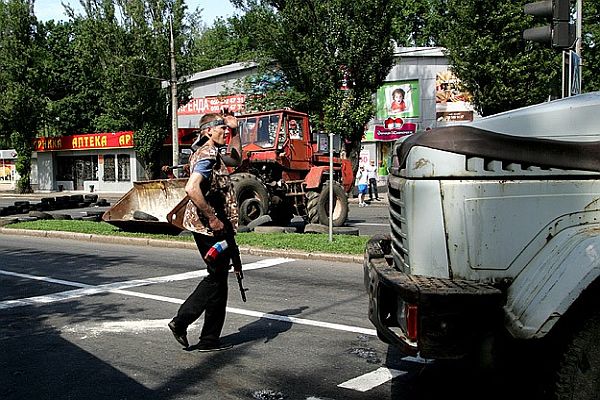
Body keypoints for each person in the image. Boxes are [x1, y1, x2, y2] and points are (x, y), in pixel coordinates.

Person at [168, 112, 242, 352]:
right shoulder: (207, 154)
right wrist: (212, 218)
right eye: (221, 128)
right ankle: (181, 321)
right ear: (208, 131)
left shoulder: (213, 152)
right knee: (215, 277)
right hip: (210, 228)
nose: (225, 132)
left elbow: (237, 160)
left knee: (219, 279)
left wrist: (237, 131)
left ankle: (210, 339)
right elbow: (192, 188)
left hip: (216, 227)